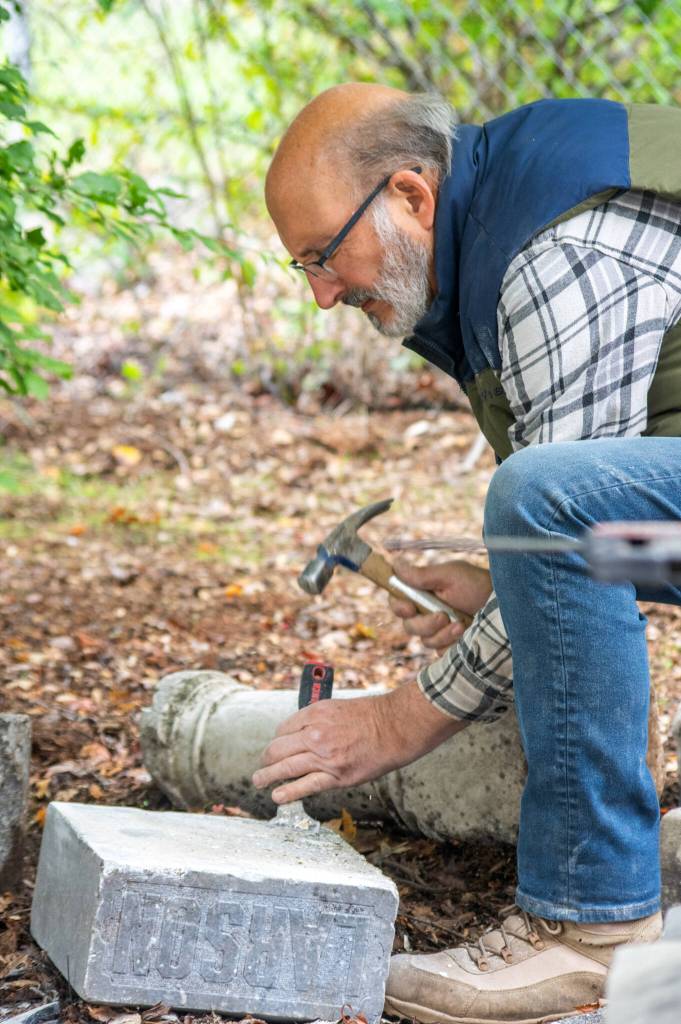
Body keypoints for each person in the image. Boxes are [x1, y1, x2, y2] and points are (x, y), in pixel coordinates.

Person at [253, 83, 681, 1023]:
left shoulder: (553, 250)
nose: (324, 294)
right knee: (540, 515)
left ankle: (589, 928)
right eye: (303, 269)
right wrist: (513, 586)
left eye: (325, 255)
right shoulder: (491, 223)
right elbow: (622, 541)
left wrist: (402, 719)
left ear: (409, 194)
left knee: (543, 498)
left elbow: (577, 522)